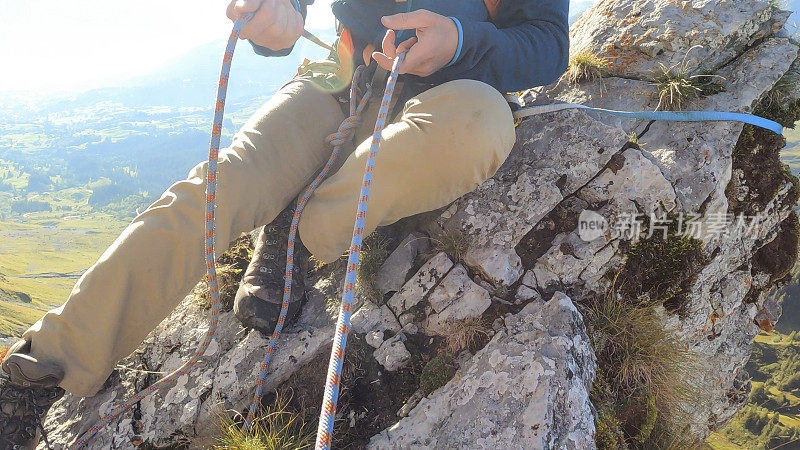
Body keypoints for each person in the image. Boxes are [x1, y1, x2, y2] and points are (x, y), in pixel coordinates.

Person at [0, 0, 568, 447]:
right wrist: (280, 11)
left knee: (481, 124)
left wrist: (461, 40)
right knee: (216, 192)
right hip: (341, 80)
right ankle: (40, 366)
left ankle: (294, 230)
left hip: (450, 96)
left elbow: (547, 41)